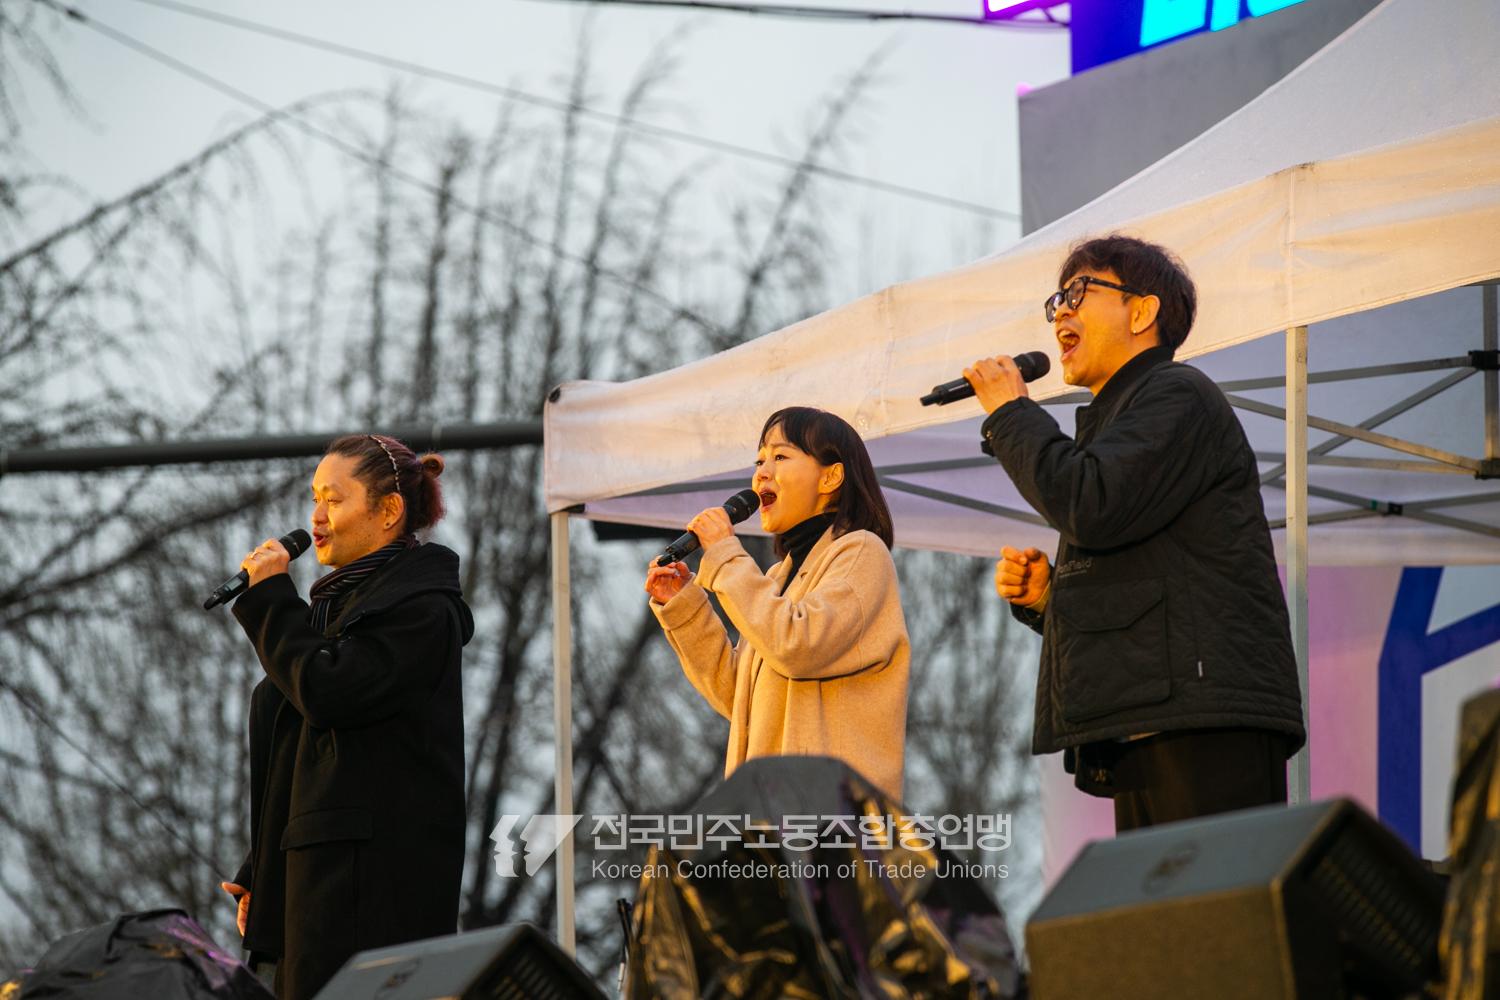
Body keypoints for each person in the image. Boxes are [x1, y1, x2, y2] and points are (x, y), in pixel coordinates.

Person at [964, 234, 1305, 833]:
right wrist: (1050, 598)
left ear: (1143, 312)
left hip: (1203, 721)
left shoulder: (1178, 393)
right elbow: (1148, 574)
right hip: (1153, 717)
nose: (1061, 313)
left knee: (1214, 892)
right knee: (1162, 897)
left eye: (1079, 292)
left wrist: (1012, 414)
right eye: (1057, 300)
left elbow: (1089, 502)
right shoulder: (1120, 417)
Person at [218, 434, 473, 999]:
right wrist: (265, 867)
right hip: (317, 894)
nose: (316, 517)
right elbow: (309, 754)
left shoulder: (421, 612)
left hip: (371, 906)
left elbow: (328, 692)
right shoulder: (337, 611)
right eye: (315, 499)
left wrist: (272, 600)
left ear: (389, 510)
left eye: (333, 500)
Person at [644, 407, 911, 800]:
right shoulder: (777, 579)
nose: (762, 473)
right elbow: (740, 697)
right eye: (759, 461)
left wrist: (725, 555)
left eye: (780, 456)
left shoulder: (861, 553)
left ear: (831, 477)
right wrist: (685, 607)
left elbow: (798, 645)